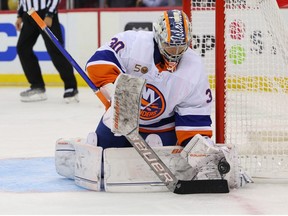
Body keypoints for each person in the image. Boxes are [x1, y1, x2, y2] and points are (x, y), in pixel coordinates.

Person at [56, 9, 252, 190]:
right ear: (158, 38)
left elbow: (194, 117)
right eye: (169, 46)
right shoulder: (133, 43)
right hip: (121, 119)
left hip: (162, 126)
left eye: (180, 47)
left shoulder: (194, 69)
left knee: (170, 160)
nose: (175, 53)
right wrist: (114, 93)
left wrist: (205, 156)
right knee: (99, 163)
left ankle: (142, 145)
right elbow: (98, 63)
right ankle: (81, 148)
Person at [15, 0, 78, 103]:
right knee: (23, 48)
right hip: (29, 13)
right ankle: (37, 86)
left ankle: (71, 87)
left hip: (45, 13)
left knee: (55, 50)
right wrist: (20, 15)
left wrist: (50, 14)